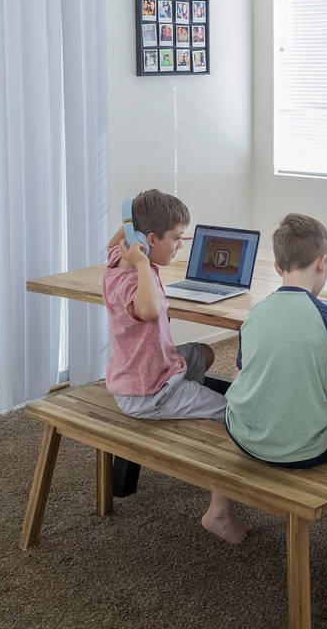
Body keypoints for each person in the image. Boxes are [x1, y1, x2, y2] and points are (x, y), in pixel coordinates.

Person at [224, 214, 327, 608]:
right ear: (323, 263)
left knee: (244, 405)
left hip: (244, 436)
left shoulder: (257, 312)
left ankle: (219, 509)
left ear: (277, 267)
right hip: (301, 451)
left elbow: (244, 372)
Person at [102, 188, 249, 543]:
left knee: (203, 353)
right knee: (235, 415)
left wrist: (134, 234)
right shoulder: (136, 279)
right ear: (150, 240)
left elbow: (123, 231)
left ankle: (192, 399)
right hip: (150, 392)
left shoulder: (113, 259)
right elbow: (150, 311)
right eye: (177, 239)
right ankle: (219, 514)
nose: (181, 246)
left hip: (147, 369)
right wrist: (142, 265)